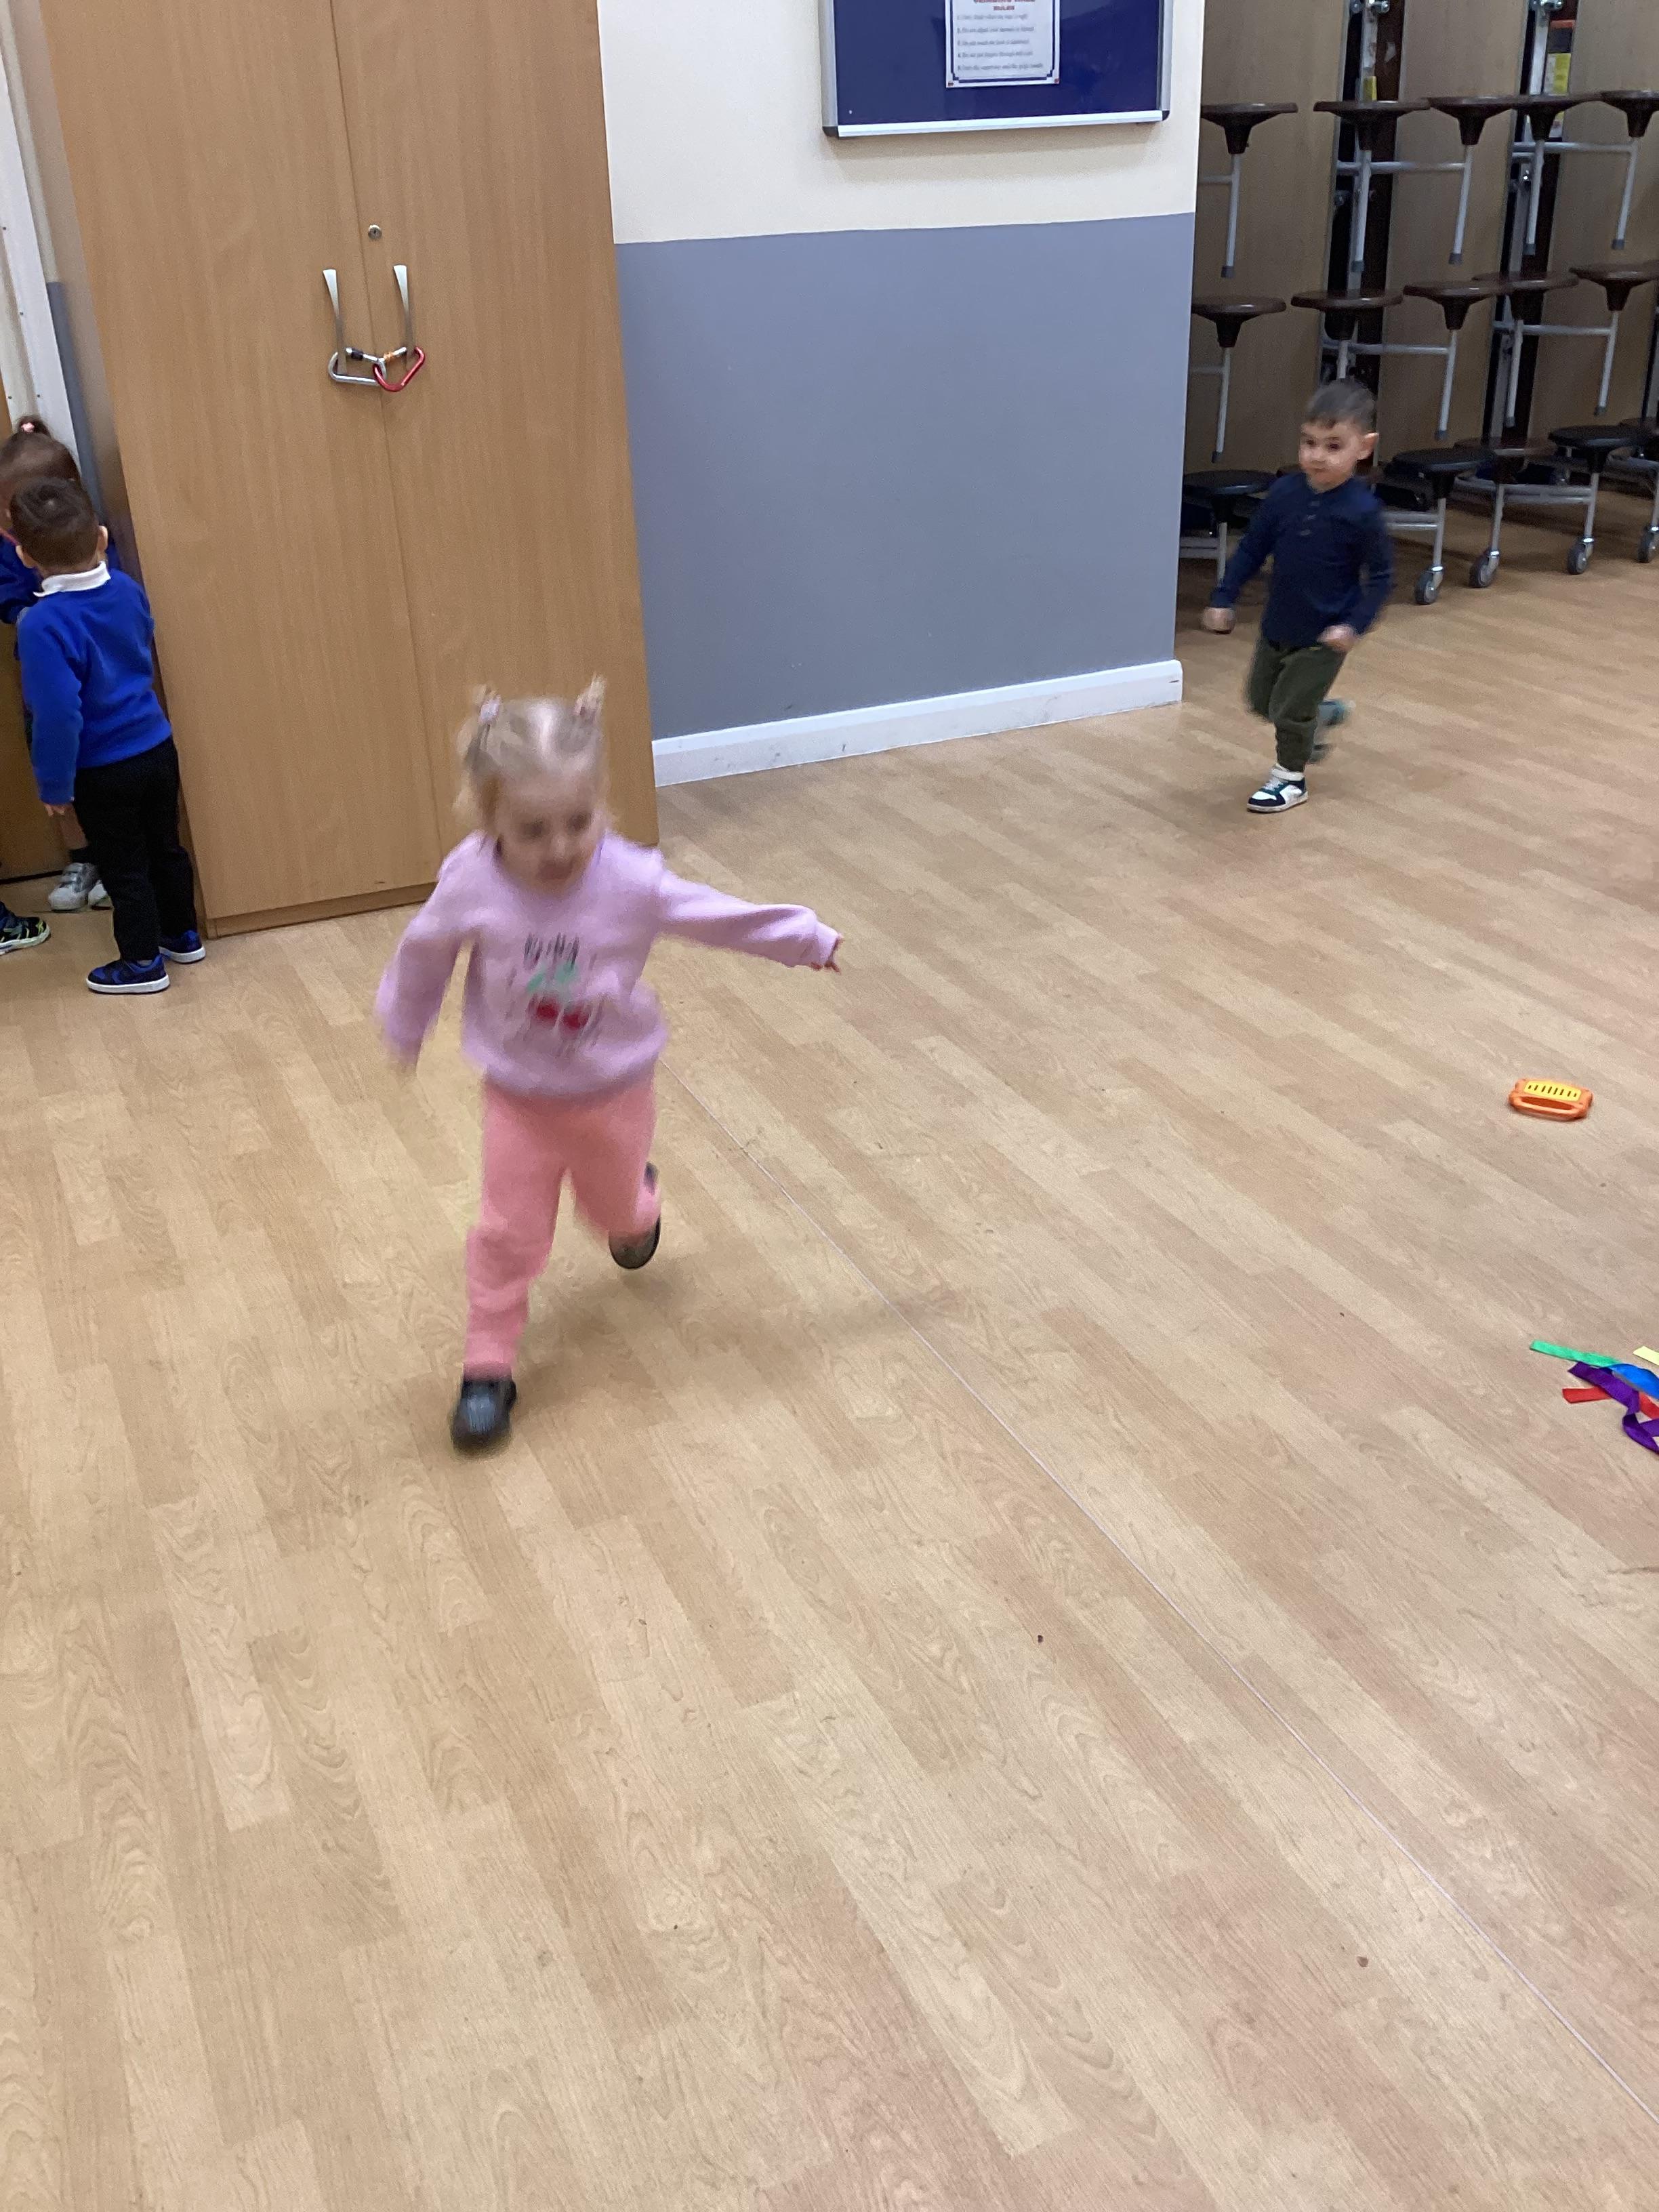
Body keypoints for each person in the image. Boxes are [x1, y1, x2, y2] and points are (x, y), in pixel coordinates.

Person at [377, 683, 842, 1452]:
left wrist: (803, 938)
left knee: (614, 1216)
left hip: (614, 1092)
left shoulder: (629, 878)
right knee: (506, 1232)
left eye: (578, 821)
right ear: (489, 820)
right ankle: (487, 1367)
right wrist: (405, 1020)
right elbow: (425, 950)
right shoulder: (472, 879)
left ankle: (639, 1205)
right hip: (519, 1098)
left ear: (600, 803)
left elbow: (713, 914)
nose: (560, 847)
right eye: (533, 831)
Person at [14, 477, 201, 994]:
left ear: (26, 556)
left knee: (124, 867)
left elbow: (56, 715)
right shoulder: (125, 588)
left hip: (103, 768)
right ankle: (182, 934)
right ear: (101, 537)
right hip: (157, 747)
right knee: (166, 847)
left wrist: (54, 784)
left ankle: (141, 964)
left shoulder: (42, 624)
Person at [1202, 379, 1394, 815]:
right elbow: (1252, 549)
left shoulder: (1363, 512)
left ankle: (1290, 779)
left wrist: (1353, 625)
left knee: (1289, 713)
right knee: (1261, 702)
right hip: (1278, 624)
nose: (1317, 456)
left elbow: (1382, 578)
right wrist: (1224, 597)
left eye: (1333, 446)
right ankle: (1319, 715)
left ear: (1364, 448)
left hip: (1325, 634)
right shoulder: (1284, 495)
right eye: (1309, 443)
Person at [0, 417, 123, 911]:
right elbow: (6, 593)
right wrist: (25, 608)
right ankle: (82, 858)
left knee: (106, 769)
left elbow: (113, 591)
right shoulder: (9, 547)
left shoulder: (92, 536)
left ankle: (116, 861)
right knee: (57, 769)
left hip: (99, 681)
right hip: (44, 675)